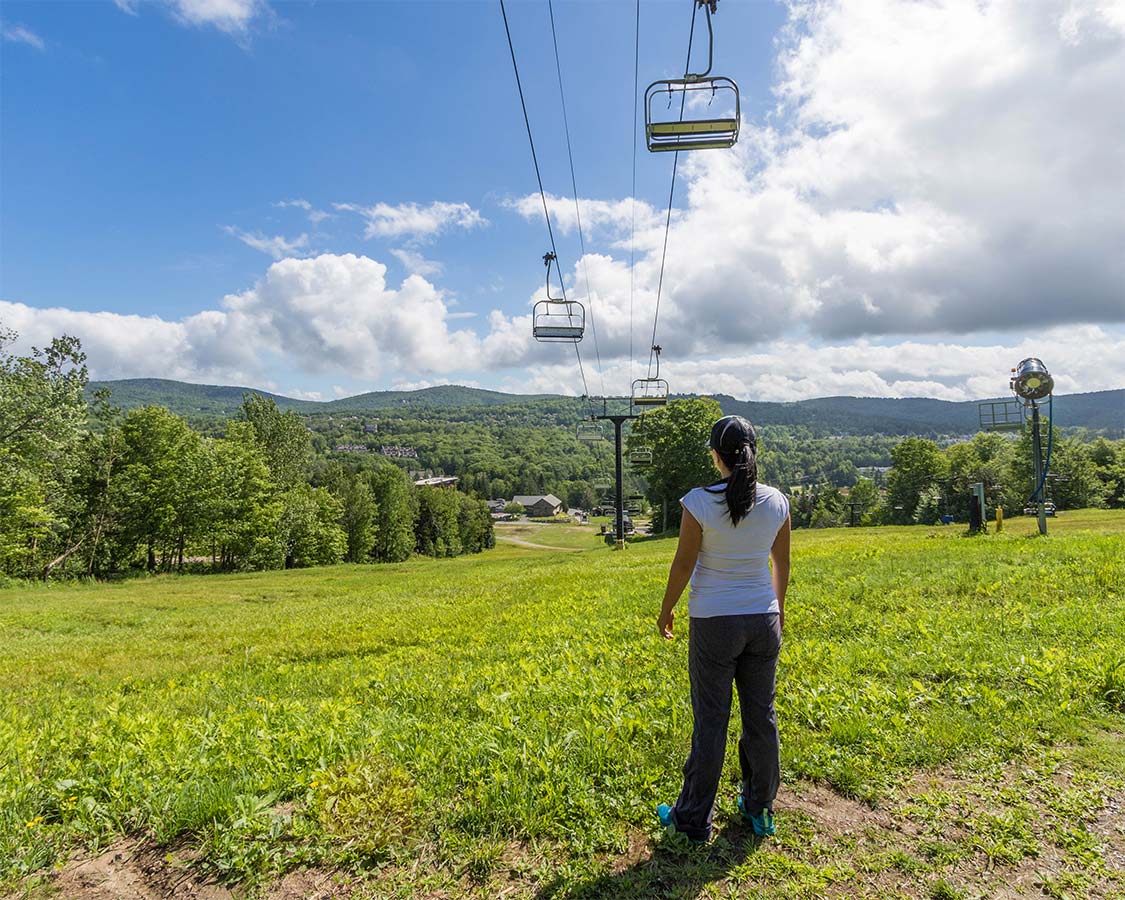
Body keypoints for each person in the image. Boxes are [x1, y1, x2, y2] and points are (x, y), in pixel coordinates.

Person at [655, 414, 791, 841]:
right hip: (763, 621)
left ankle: (692, 819)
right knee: (761, 718)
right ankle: (760, 807)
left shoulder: (698, 502)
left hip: (714, 623)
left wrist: (666, 609)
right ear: (754, 453)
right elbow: (781, 562)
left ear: (716, 456)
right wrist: (778, 610)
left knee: (711, 721)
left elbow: (684, 562)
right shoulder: (778, 502)